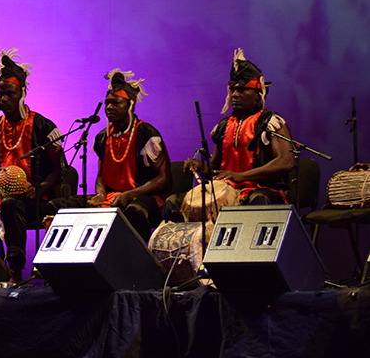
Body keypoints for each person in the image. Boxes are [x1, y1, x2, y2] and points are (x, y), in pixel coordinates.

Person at [168, 49, 295, 218]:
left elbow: (286, 162)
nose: (234, 94)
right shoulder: (223, 126)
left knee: (259, 200)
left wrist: (241, 176)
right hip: (225, 191)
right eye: (232, 89)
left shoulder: (271, 122)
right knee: (173, 202)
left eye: (242, 90)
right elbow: (216, 169)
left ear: (258, 95)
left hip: (260, 190)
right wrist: (199, 167)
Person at [0, 49, 64, 280]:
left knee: (12, 204)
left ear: (22, 93)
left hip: (37, 196)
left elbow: (59, 169)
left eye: (10, 94)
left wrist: (39, 189)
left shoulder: (43, 126)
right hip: (3, 197)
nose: (3, 99)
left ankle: (14, 271)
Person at [87, 69, 171, 240]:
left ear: (130, 105)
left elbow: (164, 179)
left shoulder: (146, 134)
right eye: (107, 103)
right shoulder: (103, 137)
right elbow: (101, 177)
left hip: (145, 196)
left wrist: (129, 195)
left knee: (135, 211)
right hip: (114, 196)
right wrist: (101, 194)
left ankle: (136, 263)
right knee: (72, 207)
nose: (109, 107)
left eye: (116, 103)